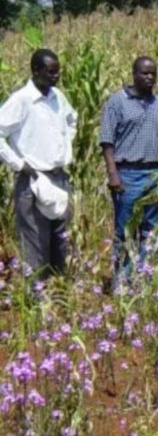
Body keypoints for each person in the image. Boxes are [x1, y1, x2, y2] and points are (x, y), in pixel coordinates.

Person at [0, 48, 77, 280]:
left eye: (58, 71)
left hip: (59, 178)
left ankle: (59, 293)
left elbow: (72, 119)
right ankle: (36, 299)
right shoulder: (21, 100)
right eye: (51, 71)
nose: (56, 76)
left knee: (61, 240)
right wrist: (17, 163)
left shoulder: (58, 97)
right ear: (35, 71)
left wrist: (65, 144)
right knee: (35, 242)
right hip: (32, 179)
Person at [99, 56, 158, 290]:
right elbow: (107, 141)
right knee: (125, 228)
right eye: (145, 73)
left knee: (150, 229)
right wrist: (113, 174)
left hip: (153, 174)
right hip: (127, 174)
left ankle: (144, 278)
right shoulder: (117, 102)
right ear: (134, 74)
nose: (149, 78)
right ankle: (121, 279)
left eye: (153, 74)